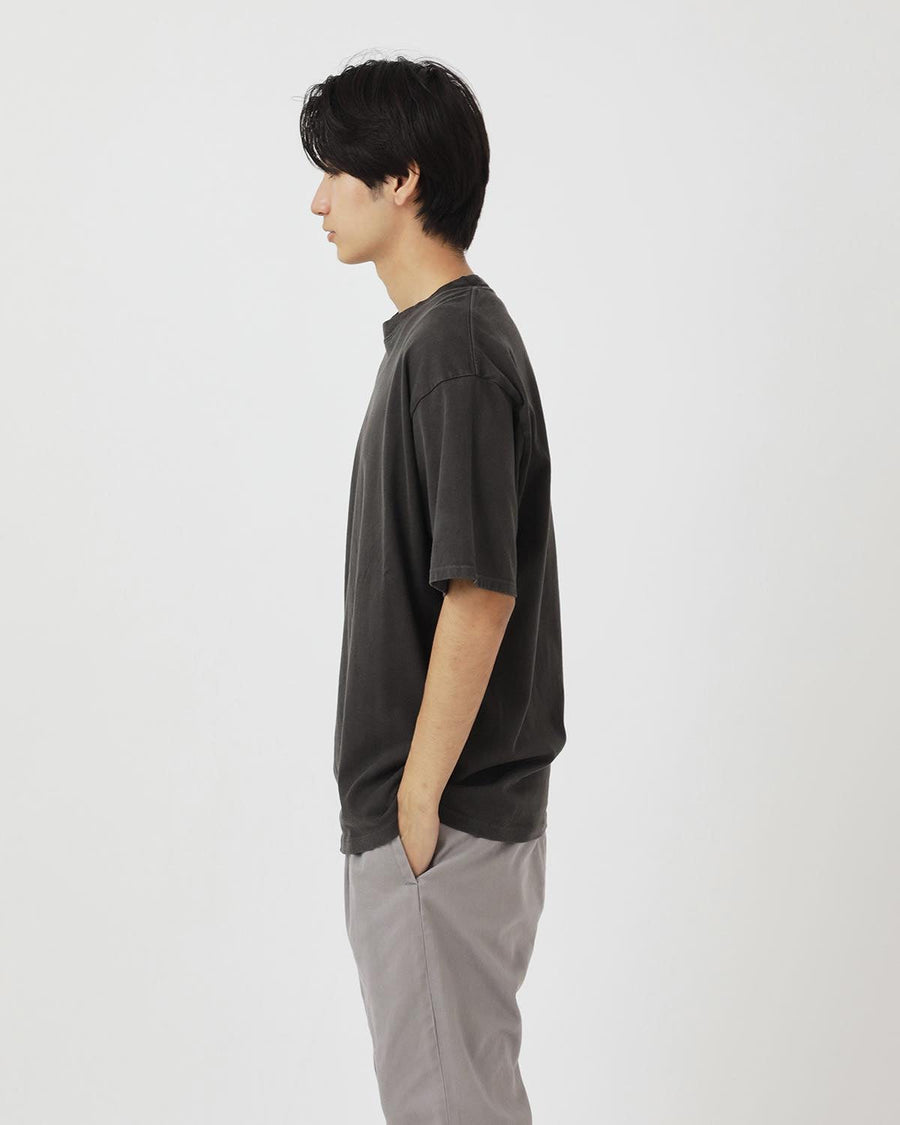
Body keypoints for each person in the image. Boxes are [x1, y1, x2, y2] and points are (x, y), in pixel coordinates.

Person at [301, 53, 566, 1125]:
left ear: (402, 178)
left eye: (334, 170)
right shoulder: (434, 342)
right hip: (435, 826)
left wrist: (416, 802)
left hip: (440, 824)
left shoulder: (452, 349)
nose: (318, 200)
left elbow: (479, 593)